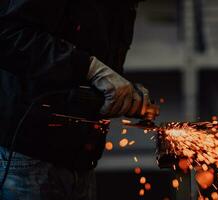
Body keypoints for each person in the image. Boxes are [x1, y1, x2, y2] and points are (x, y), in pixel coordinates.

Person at [0, 0, 152, 199]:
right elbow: (7, 34)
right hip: (29, 156)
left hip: (80, 157)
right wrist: (88, 68)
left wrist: (122, 90)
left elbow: (93, 46)